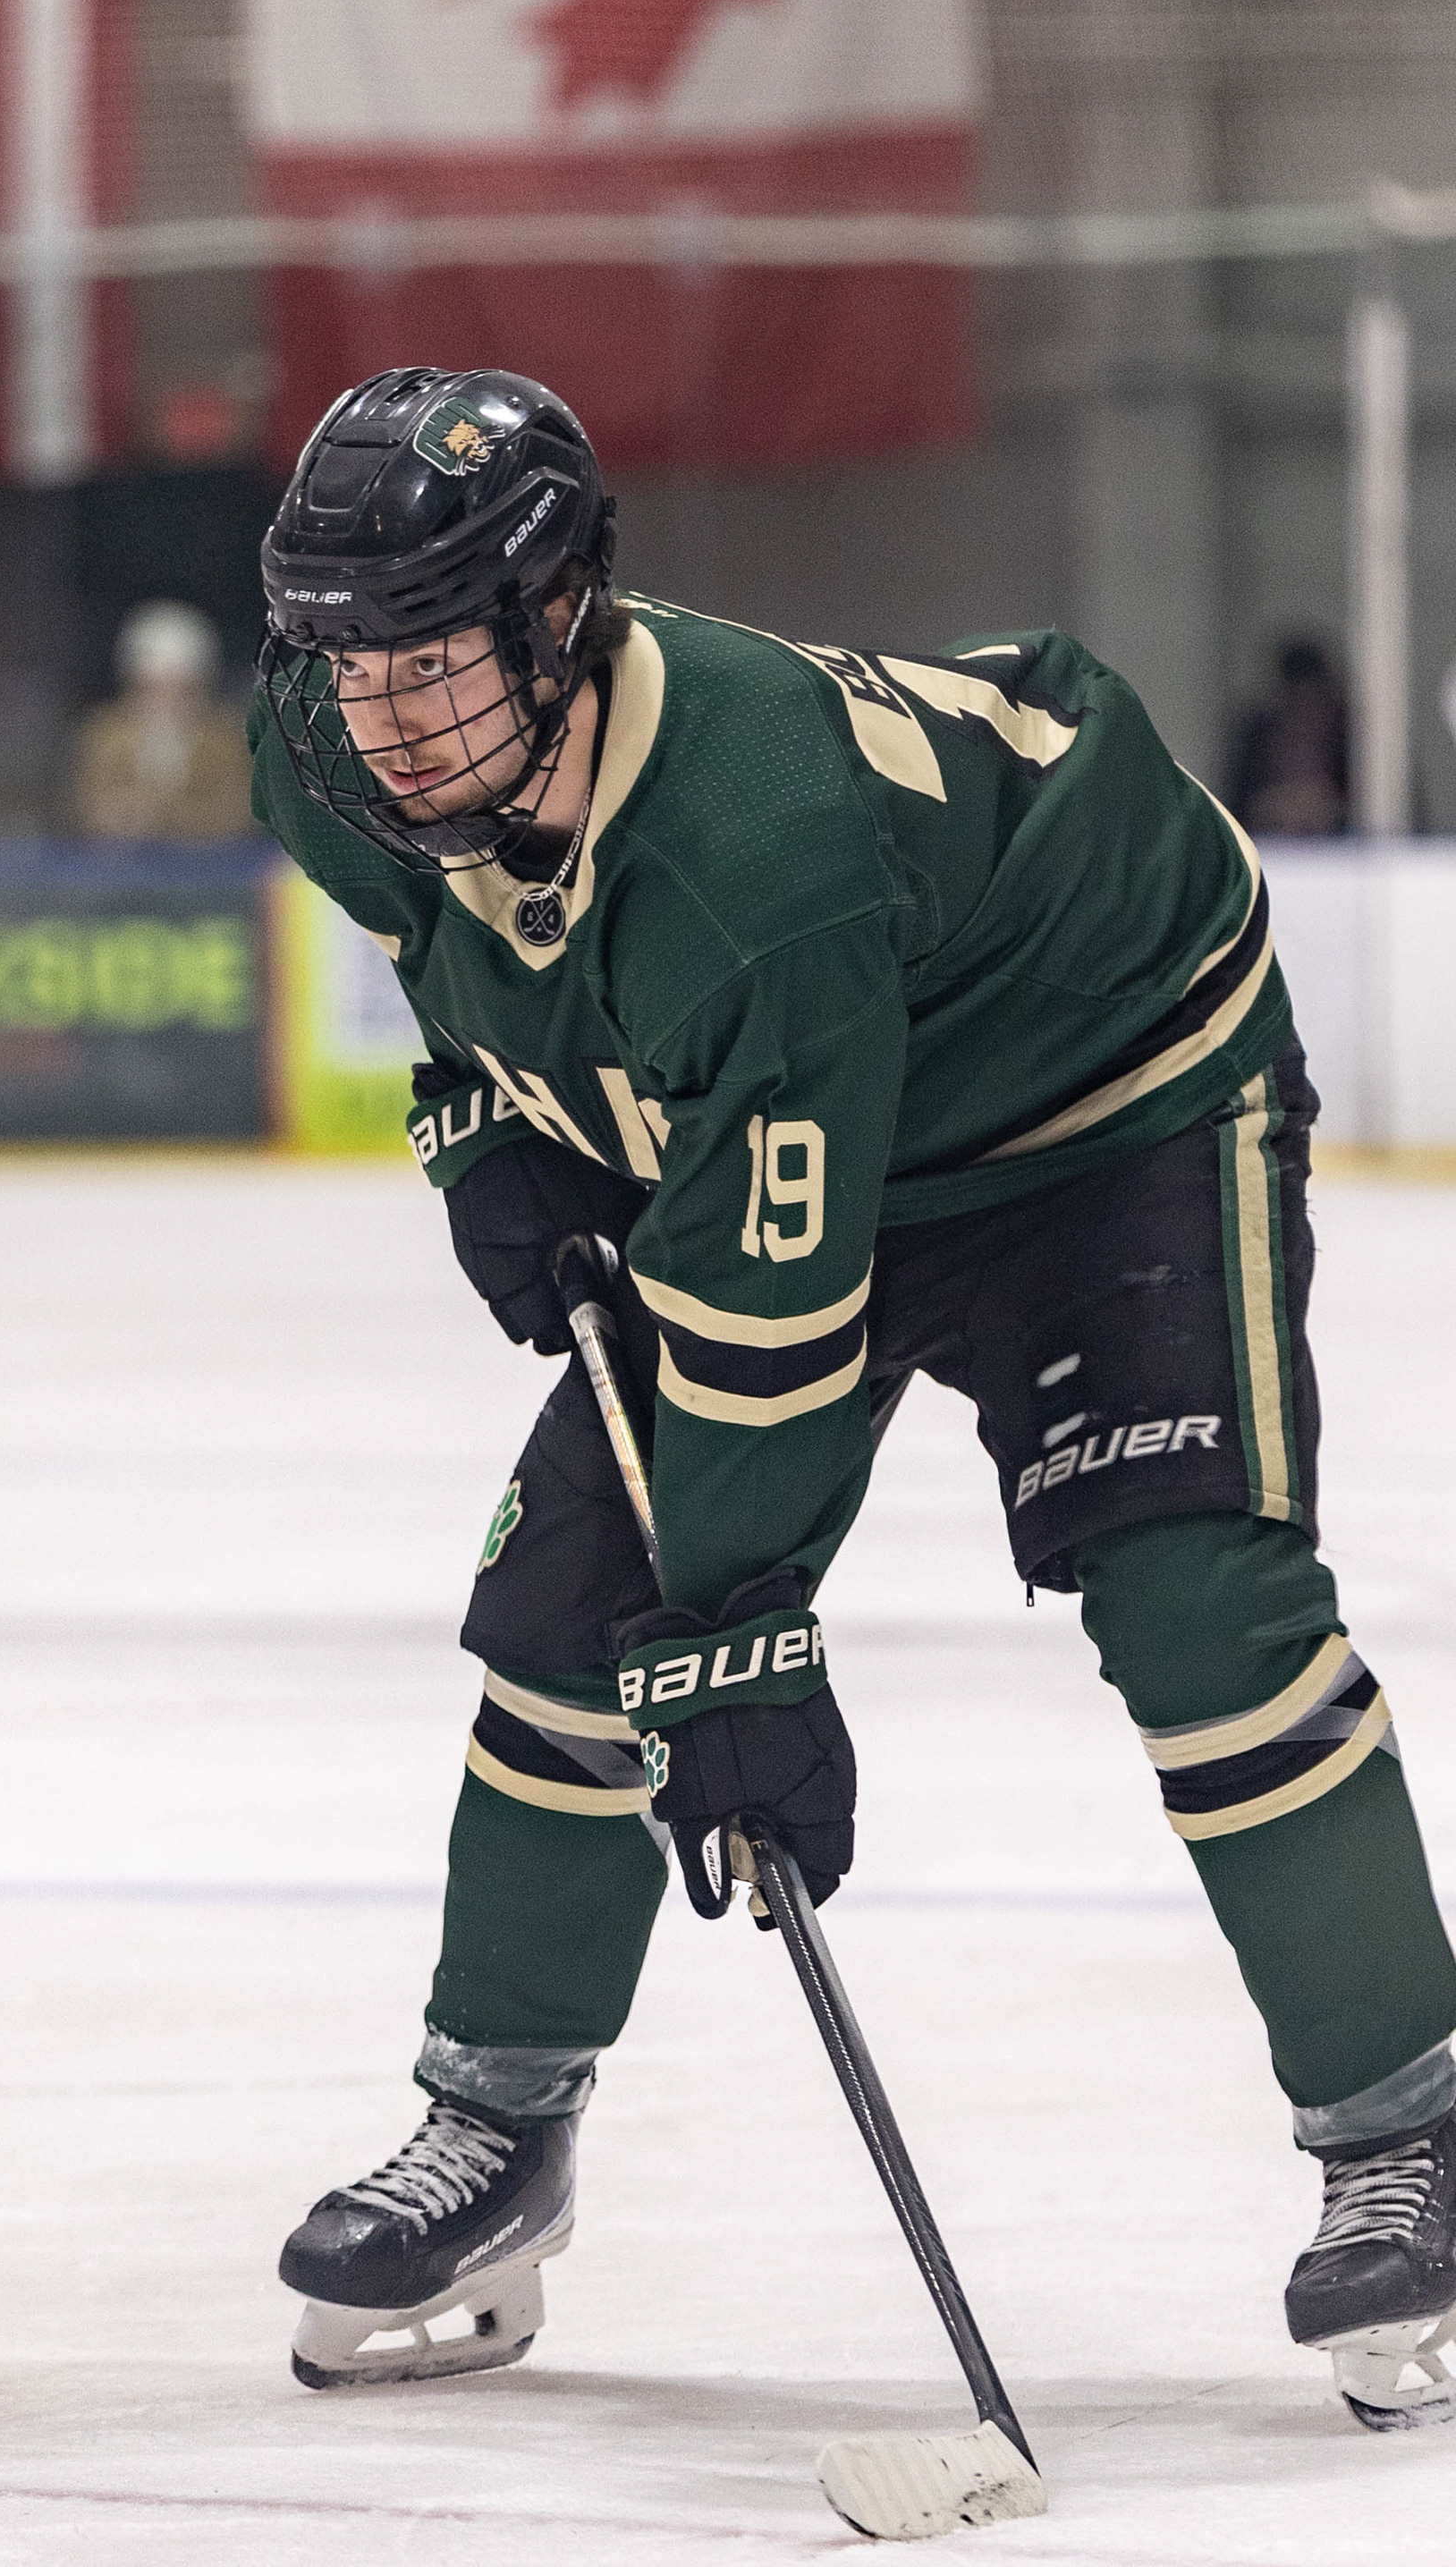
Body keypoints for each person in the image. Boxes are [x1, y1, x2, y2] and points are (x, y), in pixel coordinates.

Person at [248, 367, 1456, 2429]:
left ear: (564, 624)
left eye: (437, 666)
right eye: (355, 668)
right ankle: (494, 2123)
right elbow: (425, 948)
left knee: (1191, 1594)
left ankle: (1407, 2119)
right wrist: (480, 1122)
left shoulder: (751, 855)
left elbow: (768, 1327)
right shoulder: (328, 756)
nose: (389, 720)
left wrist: (734, 1645)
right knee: (563, 1628)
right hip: (796, 1095)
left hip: (1103, 1087)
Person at [72, 600, 252, 840]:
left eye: (181, 691)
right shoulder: (104, 735)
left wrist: (160, 813)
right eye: (153, 690)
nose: (166, 705)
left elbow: (236, 816)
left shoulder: (227, 740)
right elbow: (84, 810)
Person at [1225, 636, 1350, 838]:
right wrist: (1267, 809)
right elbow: (1230, 810)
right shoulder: (1255, 740)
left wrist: (1333, 809)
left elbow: (1398, 812)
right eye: (1295, 704)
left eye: (1313, 704)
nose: (1305, 718)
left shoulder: (1354, 745)